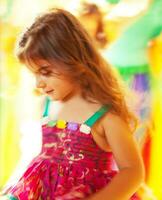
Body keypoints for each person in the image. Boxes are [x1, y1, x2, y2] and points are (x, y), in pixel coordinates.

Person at [1, 8, 145, 200]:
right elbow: (39, 157)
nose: (38, 83)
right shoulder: (47, 104)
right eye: (34, 74)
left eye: (45, 72)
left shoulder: (104, 114)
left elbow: (132, 171)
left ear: (72, 60)